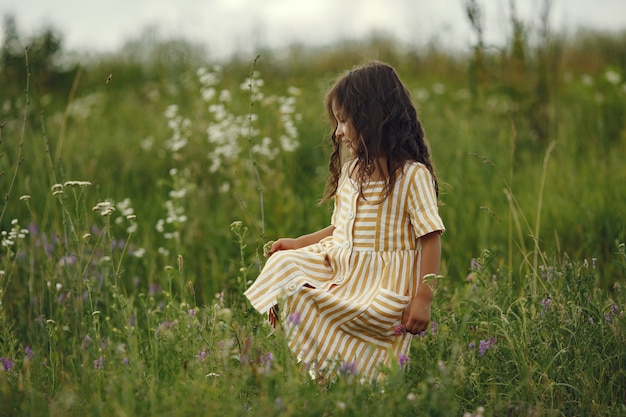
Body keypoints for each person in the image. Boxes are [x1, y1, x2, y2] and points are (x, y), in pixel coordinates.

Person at [244, 61, 444, 382]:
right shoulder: (352, 173)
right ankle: (323, 372)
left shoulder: (411, 176)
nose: (337, 132)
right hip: (342, 264)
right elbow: (342, 229)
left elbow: (429, 238)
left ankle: (349, 376)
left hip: (380, 282)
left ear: (375, 118)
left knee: (355, 335)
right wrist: (298, 244)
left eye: (343, 121)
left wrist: (424, 297)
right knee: (284, 268)